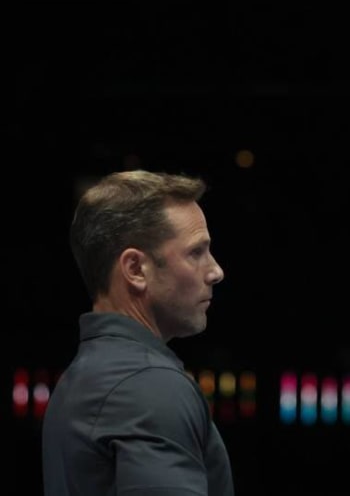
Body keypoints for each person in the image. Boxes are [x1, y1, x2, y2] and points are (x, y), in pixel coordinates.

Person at [42, 170, 234, 496]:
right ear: (135, 269)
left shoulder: (80, 377)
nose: (216, 271)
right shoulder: (149, 385)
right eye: (196, 252)